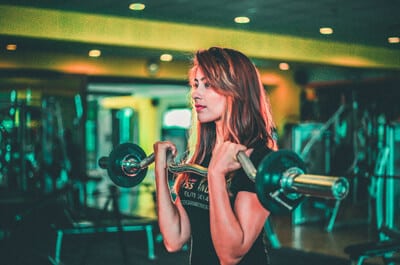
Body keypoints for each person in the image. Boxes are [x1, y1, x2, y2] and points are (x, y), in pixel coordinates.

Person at [153, 47, 278, 265]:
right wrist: (160, 171)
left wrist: (216, 175)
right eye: (196, 84)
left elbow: (230, 255)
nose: (195, 93)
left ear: (235, 89)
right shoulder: (203, 157)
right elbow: (174, 239)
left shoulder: (258, 161)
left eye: (208, 84)